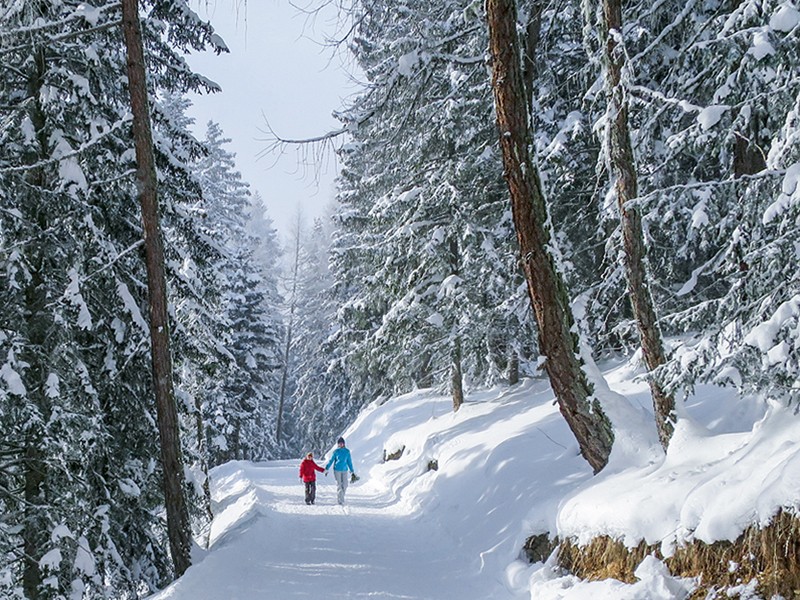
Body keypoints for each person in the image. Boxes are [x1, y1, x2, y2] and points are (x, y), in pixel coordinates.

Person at [325, 437, 355, 505]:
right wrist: (327, 468)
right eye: (339, 443)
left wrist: (352, 470)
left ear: (344, 444)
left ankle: (341, 496)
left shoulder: (347, 451)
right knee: (339, 485)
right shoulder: (336, 452)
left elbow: (349, 462)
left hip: (344, 470)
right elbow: (331, 460)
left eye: (342, 443)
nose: (341, 444)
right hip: (337, 470)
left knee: (345, 484)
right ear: (338, 444)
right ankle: (340, 500)